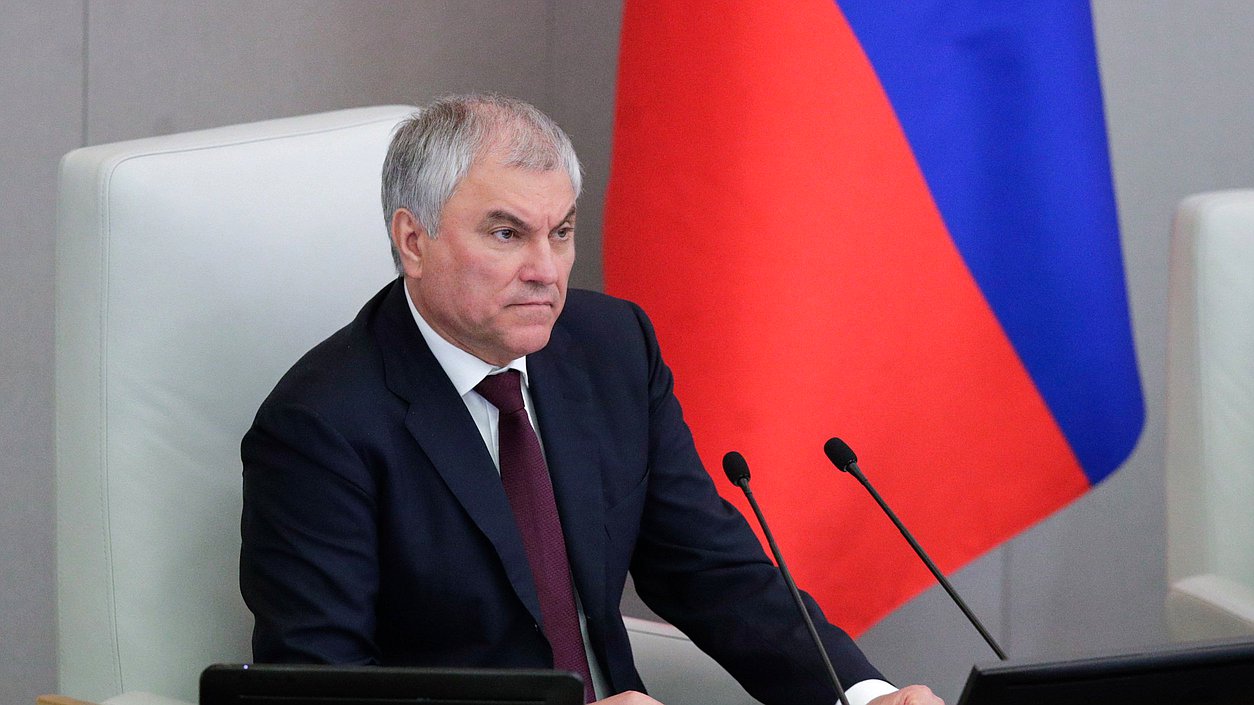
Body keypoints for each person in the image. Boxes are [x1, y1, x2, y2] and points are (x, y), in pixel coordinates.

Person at [240, 93, 941, 705]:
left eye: (562, 232)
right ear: (413, 240)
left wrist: (863, 695)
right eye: (507, 234)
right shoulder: (319, 425)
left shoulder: (612, 347)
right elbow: (321, 685)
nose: (546, 271)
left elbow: (710, 569)